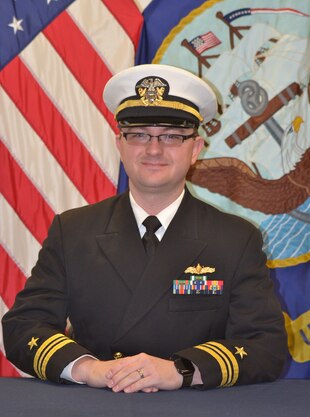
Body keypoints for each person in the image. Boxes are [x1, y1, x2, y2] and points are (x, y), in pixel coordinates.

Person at [2, 64, 287, 392]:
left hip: (195, 410)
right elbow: (23, 328)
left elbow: (266, 346)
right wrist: (89, 369)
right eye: (139, 135)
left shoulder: (236, 239)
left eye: (171, 136)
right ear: (119, 144)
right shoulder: (73, 231)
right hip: (98, 404)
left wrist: (180, 370)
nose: (154, 149)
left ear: (195, 149)